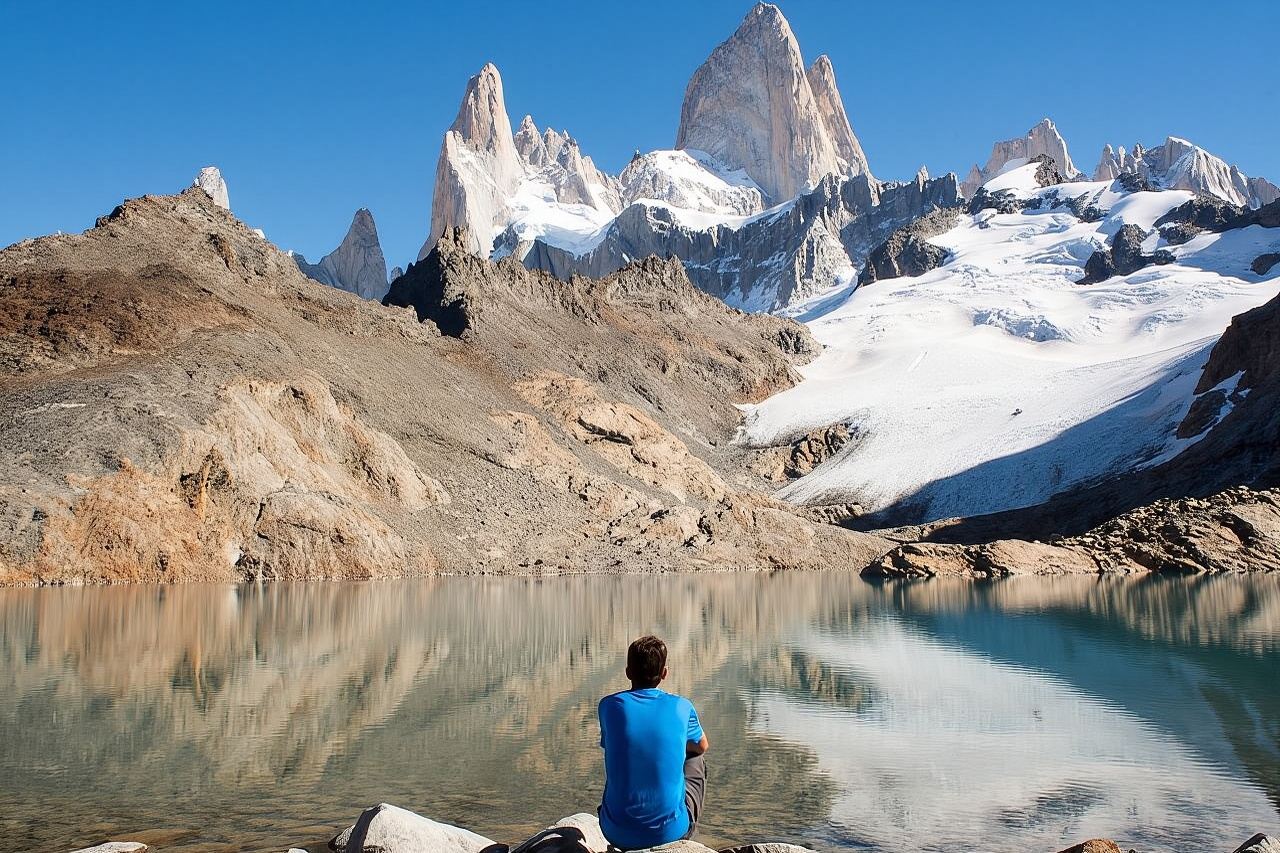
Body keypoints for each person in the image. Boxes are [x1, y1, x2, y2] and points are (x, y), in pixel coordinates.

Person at [597, 635, 709, 851]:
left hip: (614, 832)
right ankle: (680, 833)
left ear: (628, 672)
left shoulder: (609, 706)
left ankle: (625, 822)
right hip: (671, 834)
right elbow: (702, 746)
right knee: (696, 757)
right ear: (664, 673)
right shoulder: (682, 706)